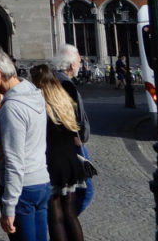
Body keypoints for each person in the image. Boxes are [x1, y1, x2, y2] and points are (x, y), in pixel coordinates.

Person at [0, 47, 49, 241]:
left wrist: (9, 206)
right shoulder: (35, 95)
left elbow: (14, 160)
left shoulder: (12, 108)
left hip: (22, 190)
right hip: (41, 182)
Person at [31, 65, 87, 241]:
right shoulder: (63, 98)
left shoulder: (40, 102)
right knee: (70, 213)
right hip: (70, 160)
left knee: (54, 216)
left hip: (52, 162)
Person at [52, 43, 93, 215]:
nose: (79, 65)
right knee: (86, 191)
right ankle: (66, 223)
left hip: (67, 144)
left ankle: (62, 223)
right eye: (77, 62)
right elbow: (69, 119)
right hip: (72, 144)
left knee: (70, 192)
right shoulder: (65, 84)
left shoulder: (57, 80)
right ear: (70, 64)